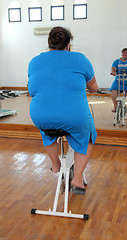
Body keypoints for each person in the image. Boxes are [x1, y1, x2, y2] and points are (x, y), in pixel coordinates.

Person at [28, 26, 99, 192]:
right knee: (87, 136)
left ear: (49, 44)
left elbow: (32, 90)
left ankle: (55, 164)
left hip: (41, 116)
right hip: (74, 117)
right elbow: (94, 87)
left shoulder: (34, 61)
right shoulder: (80, 59)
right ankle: (78, 178)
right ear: (68, 45)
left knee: (47, 130)